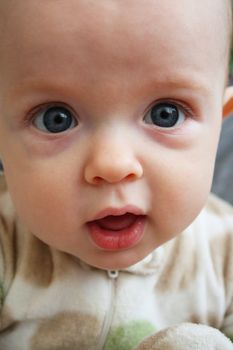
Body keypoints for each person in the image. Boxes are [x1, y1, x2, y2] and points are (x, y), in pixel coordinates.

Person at [0, 0, 233, 349]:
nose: (113, 165)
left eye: (165, 114)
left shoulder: (225, 253)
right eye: (56, 118)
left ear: (220, 120)